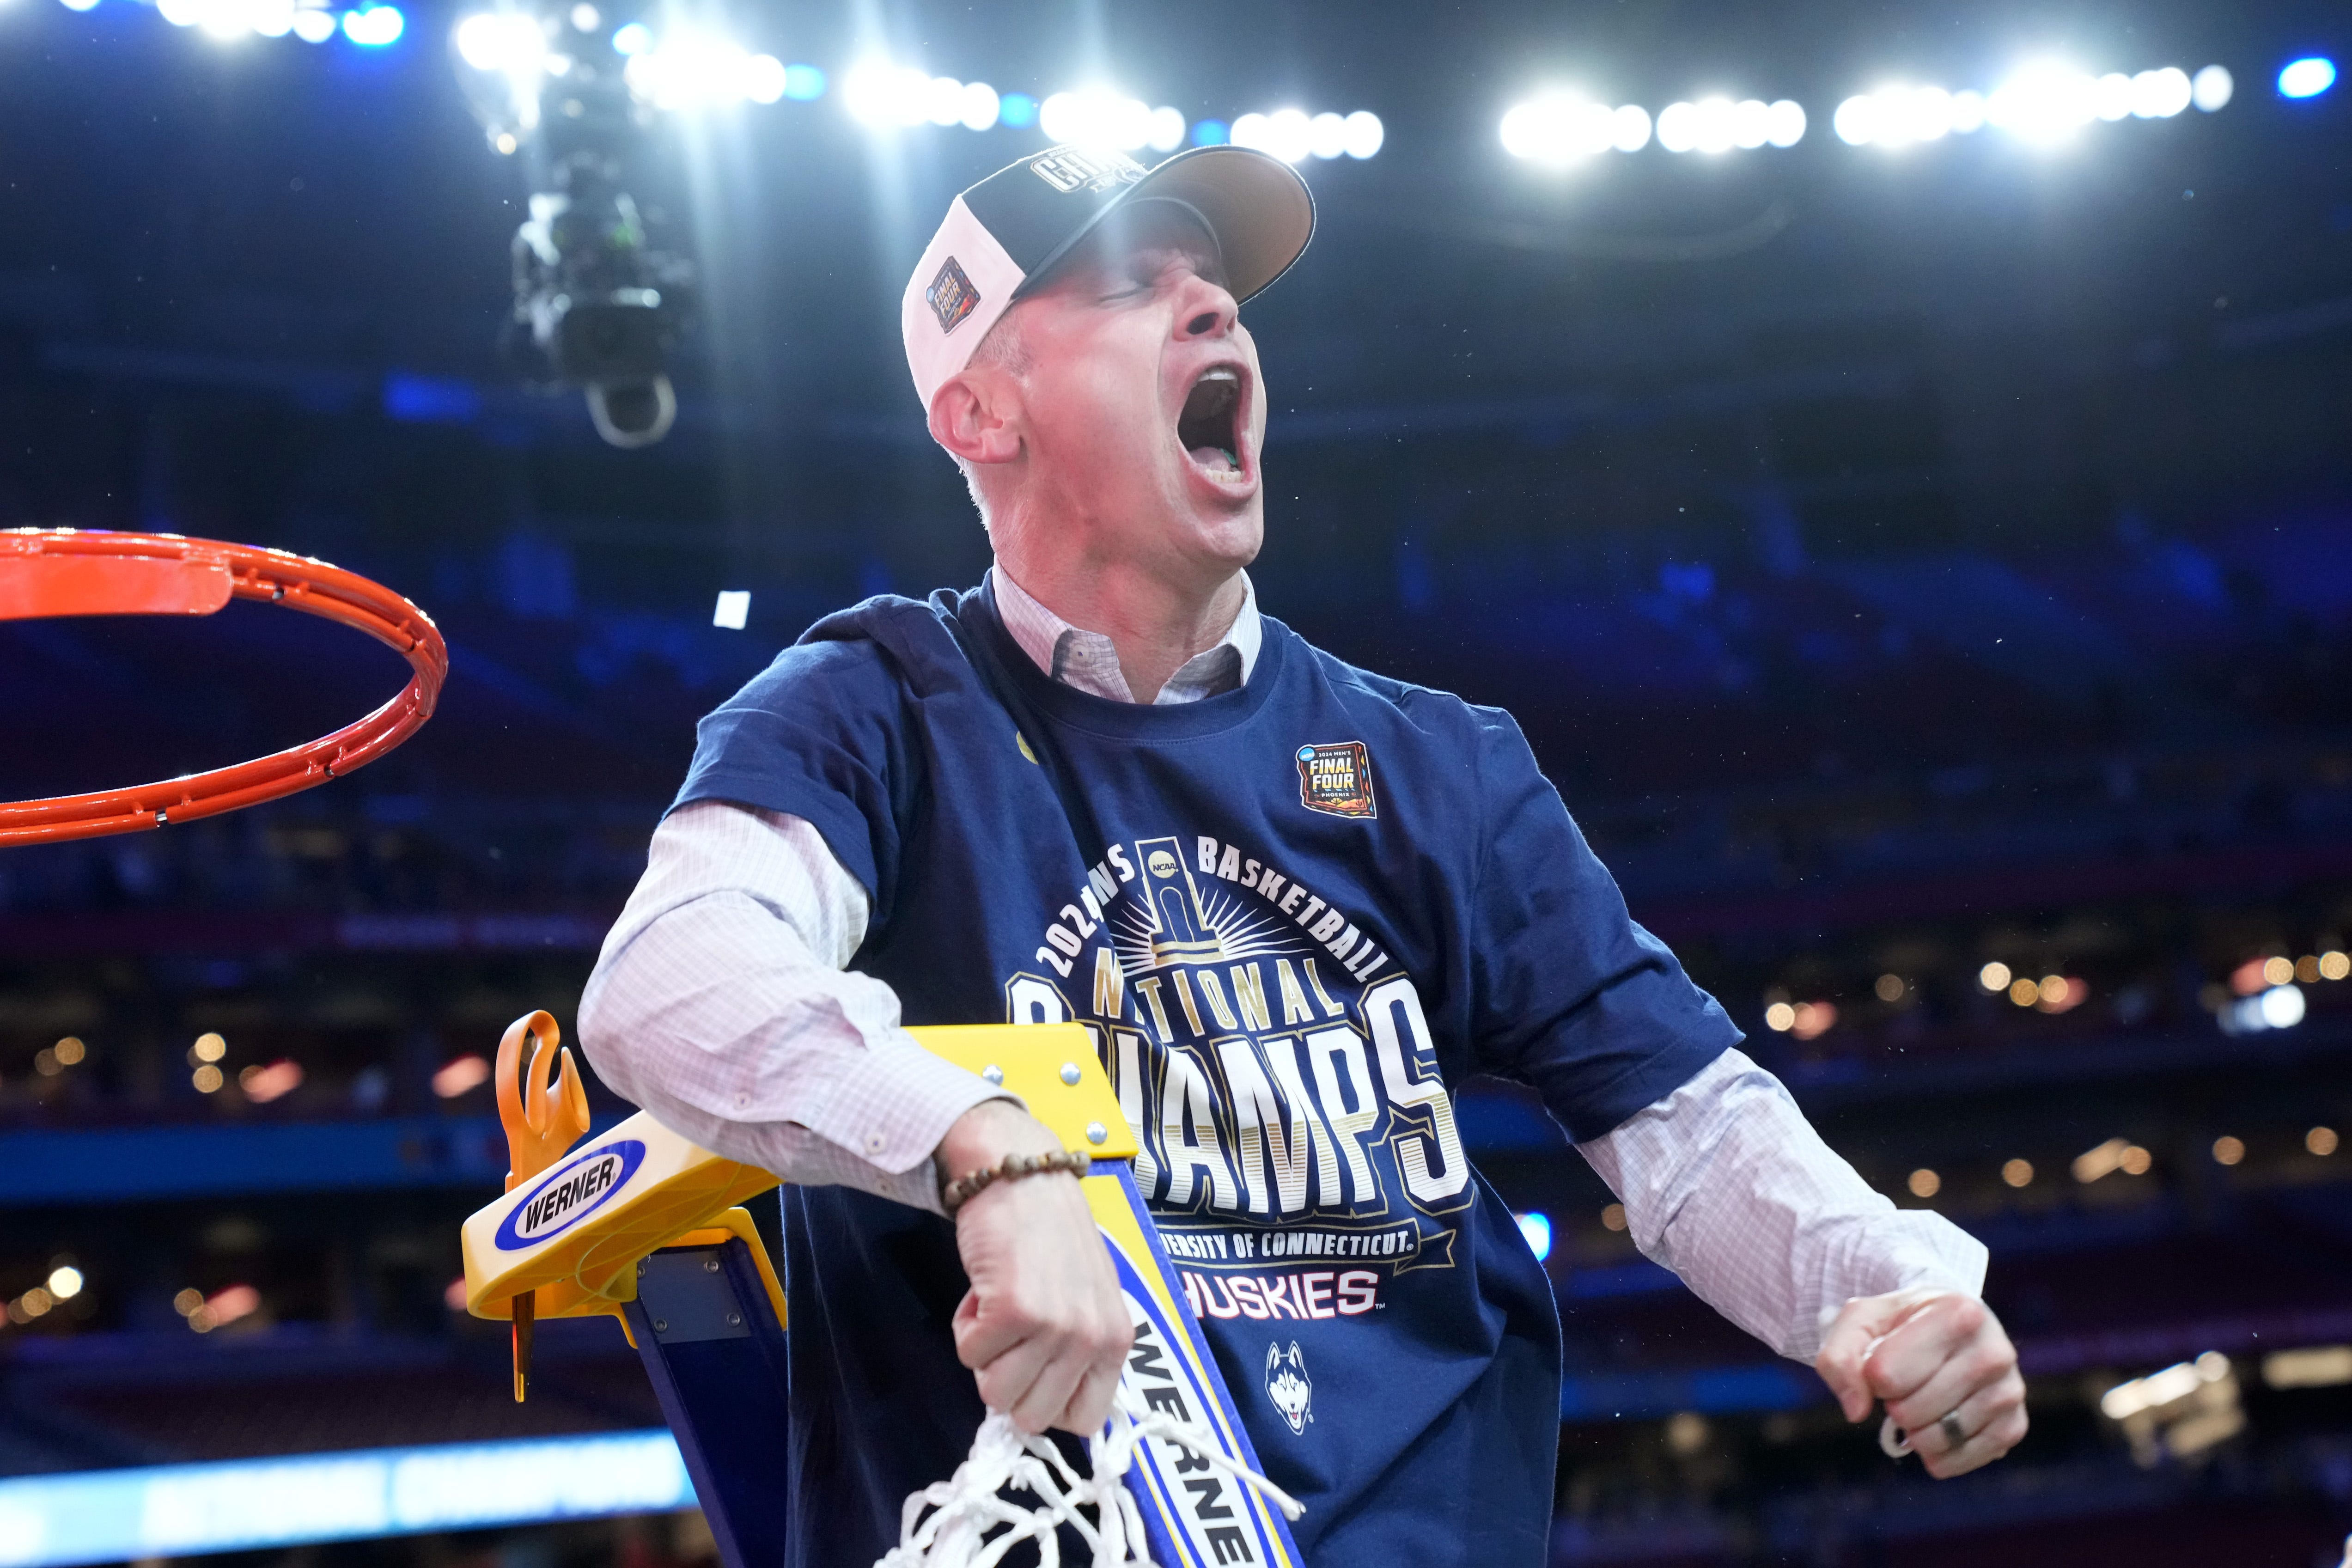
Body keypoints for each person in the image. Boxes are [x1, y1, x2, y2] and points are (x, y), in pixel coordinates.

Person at [578, 142, 2027, 1567]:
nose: (1213, 309)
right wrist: (993, 1158)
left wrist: (1886, 1281)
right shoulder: (872, 704)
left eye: (1214, 282)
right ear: (981, 412)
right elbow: (668, 980)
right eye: (1133, 287)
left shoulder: (1439, 762)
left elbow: (1690, 1125)